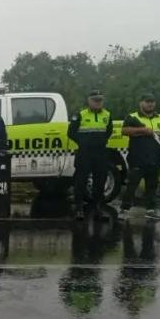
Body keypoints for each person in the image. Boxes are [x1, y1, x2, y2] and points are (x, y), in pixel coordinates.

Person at [119, 93, 160, 221]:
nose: (150, 104)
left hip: (155, 158)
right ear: (141, 103)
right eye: (147, 101)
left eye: (152, 101)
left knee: (152, 186)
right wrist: (142, 131)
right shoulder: (132, 117)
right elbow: (124, 131)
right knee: (132, 185)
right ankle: (124, 210)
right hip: (137, 157)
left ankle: (151, 211)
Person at [68, 89, 113, 221]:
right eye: (95, 100)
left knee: (100, 181)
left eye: (100, 100)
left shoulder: (107, 115)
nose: (98, 103)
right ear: (89, 101)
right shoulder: (81, 115)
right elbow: (71, 132)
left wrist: (102, 141)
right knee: (81, 180)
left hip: (100, 152)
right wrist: (83, 142)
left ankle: (98, 208)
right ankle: (78, 208)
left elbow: (109, 131)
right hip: (84, 153)